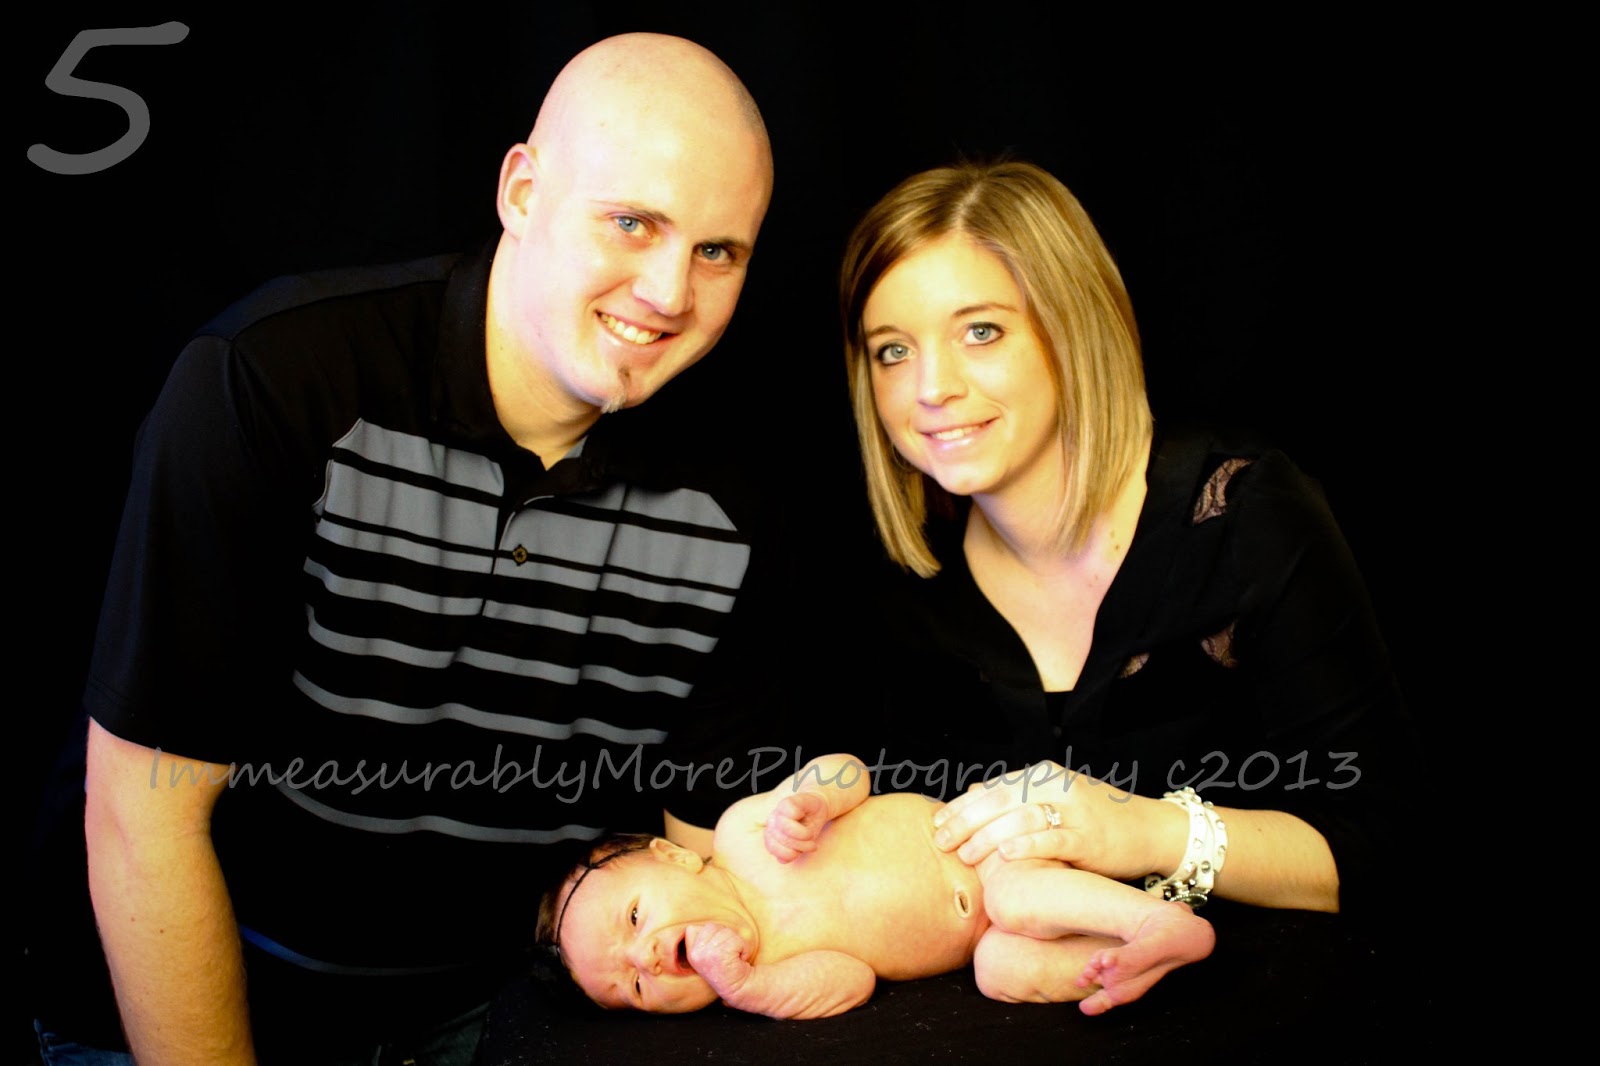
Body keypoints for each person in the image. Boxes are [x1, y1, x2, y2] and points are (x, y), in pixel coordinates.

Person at [34, 32, 779, 1066]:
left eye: (717, 252)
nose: (667, 292)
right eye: (631, 222)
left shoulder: (730, 494)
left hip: (496, 1015)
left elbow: (701, 854)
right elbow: (139, 818)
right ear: (522, 193)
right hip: (185, 1009)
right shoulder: (277, 382)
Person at [835, 160, 1415, 992]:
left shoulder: (1243, 519)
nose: (931, 389)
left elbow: (1387, 848)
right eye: (893, 350)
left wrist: (1142, 832)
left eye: (981, 332)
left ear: (1073, 328)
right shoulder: (898, 577)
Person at [541, 753, 1215, 1019]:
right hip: (983, 937)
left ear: (675, 857)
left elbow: (850, 771)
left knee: (1017, 896)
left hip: (986, 850)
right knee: (1001, 970)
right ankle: (1130, 958)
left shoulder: (744, 833)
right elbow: (853, 981)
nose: (647, 960)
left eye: (634, 918)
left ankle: (1153, 920)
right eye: (634, 989)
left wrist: (813, 799)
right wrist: (750, 989)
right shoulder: (769, 969)